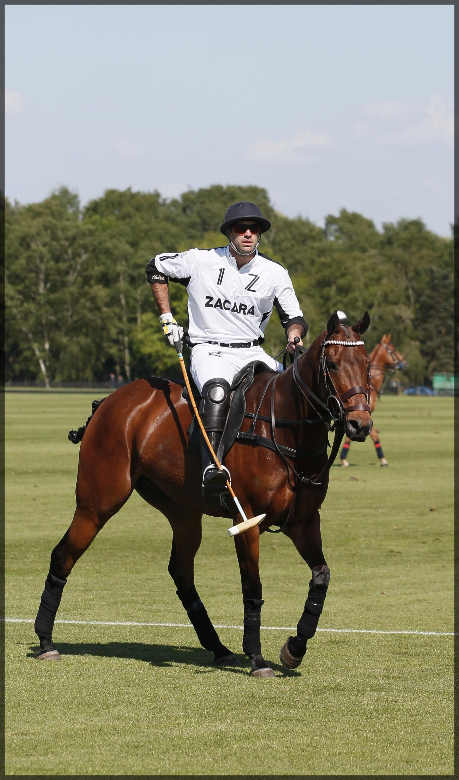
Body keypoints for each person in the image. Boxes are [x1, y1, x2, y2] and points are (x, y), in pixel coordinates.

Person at [146, 201, 307, 499]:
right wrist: (167, 318)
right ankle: (213, 467)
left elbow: (294, 318)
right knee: (217, 390)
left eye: (254, 229)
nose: (248, 233)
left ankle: (300, 464)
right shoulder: (200, 261)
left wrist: (294, 336)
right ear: (228, 233)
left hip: (252, 352)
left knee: (294, 389)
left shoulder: (275, 273)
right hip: (210, 350)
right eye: (240, 228)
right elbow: (156, 267)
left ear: (259, 235)